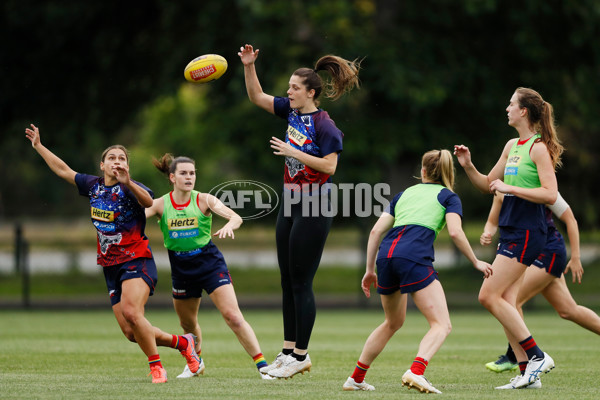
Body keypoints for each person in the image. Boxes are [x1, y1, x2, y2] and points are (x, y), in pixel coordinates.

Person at [24, 124, 201, 383]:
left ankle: (156, 367)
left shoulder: (131, 187)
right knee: (131, 332)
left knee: (132, 313)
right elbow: (64, 170)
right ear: (102, 165)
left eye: (122, 158)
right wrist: (39, 146)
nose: (117, 161)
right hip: (110, 265)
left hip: (137, 259)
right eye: (112, 158)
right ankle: (182, 343)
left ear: (127, 166)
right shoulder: (93, 186)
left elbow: (149, 202)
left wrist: (127, 182)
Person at [238, 44, 361, 379]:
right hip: (291, 202)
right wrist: (249, 65)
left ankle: (302, 355)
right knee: (286, 280)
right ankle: (289, 350)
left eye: (294, 87)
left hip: (315, 203)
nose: (287, 92)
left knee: (302, 282)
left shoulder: (325, 125)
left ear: (310, 92)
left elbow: (329, 167)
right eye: (288, 87)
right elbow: (257, 96)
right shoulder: (292, 113)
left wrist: (293, 150)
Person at [342, 150, 493, 393]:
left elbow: (374, 233)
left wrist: (370, 270)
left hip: (386, 256)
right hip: (412, 257)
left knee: (392, 322)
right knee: (441, 324)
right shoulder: (448, 196)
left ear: (422, 171)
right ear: (448, 172)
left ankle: (356, 378)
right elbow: (455, 232)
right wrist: (476, 261)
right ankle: (416, 371)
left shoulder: (403, 194)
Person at [454, 87, 563, 389]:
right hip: (512, 231)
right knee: (508, 301)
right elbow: (488, 185)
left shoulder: (538, 148)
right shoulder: (512, 145)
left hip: (528, 232)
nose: (507, 108)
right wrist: (468, 166)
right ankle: (528, 373)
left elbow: (550, 194)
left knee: (488, 296)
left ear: (524, 111)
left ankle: (537, 356)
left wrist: (511, 188)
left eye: (512, 104)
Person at [145, 153, 273, 380]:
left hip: (209, 263)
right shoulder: (160, 204)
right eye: (183, 173)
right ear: (172, 177)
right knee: (188, 324)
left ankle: (263, 366)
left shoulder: (204, 199)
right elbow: (134, 219)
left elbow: (236, 217)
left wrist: (229, 226)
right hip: (181, 267)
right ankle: (197, 362)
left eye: (192, 173)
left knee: (233, 316)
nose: (189, 177)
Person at [481, 192, 600, 380]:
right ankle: (519, 355)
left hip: (548, 252)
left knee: (511, 300)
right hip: (530, 252)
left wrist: (576, 257)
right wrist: (469, 166)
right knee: (568, 310)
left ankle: (518, 357)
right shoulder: (504, 189)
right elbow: (491, 211)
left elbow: (571, 219)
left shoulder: (542, 187)